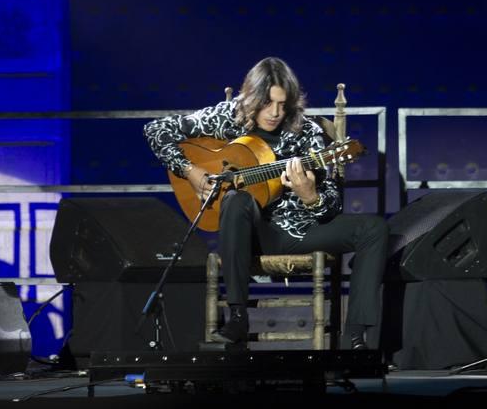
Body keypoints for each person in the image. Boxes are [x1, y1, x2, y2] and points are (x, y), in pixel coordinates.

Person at [144, 57, 386, 349]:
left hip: (297, 232)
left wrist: (311, 197)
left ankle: (355, 338)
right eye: (267, 103)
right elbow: (156, 131)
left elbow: (331, 204)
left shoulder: (305, 133)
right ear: (251, 99)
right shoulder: (226, 118)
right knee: (235, 200)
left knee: (374, 229)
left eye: (283, 105)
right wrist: (191, 171)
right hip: (246, 234)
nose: (275, 112)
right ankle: (237, 317)